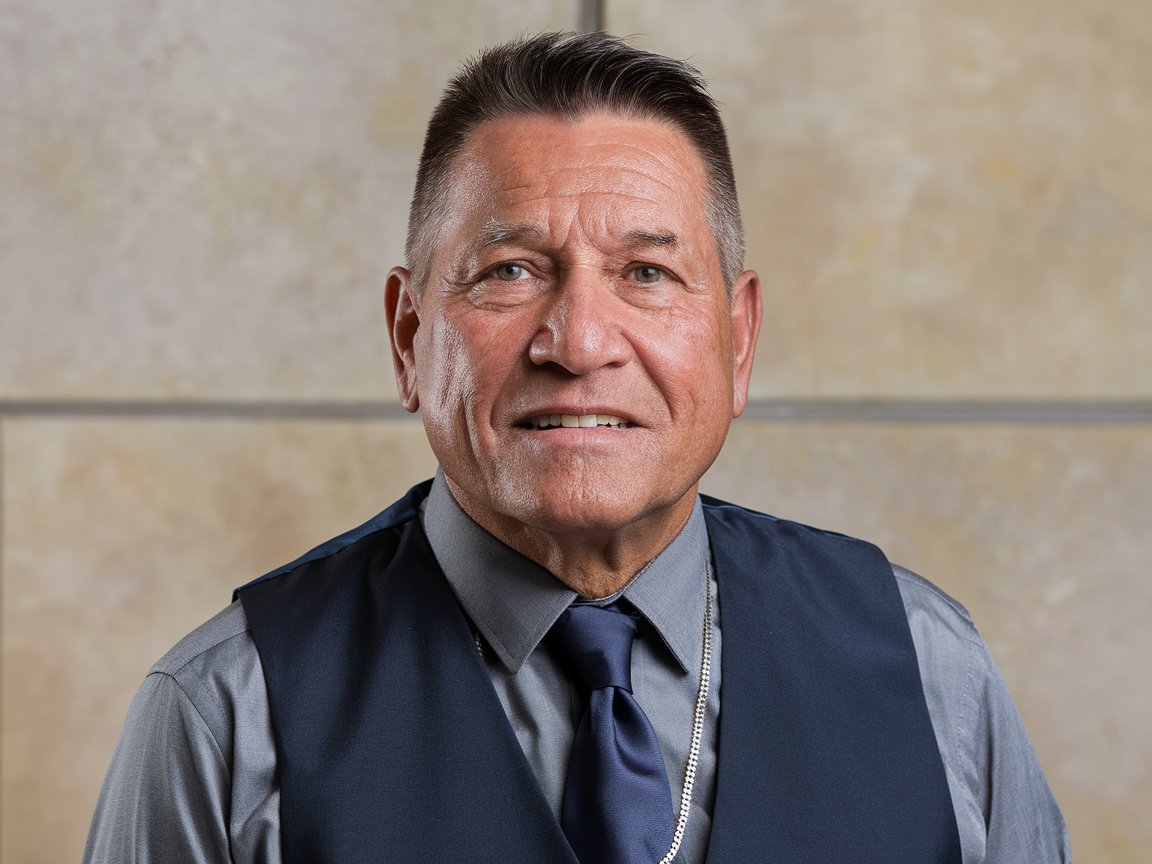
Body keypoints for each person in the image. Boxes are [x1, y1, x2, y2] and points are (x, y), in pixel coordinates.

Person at [84, 31, 1070, 864]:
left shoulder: (931, 668)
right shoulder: (225, 716)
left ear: (739, 340)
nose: (581, 343)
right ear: (408, 335)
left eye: (647, 271)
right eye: (511, 270)